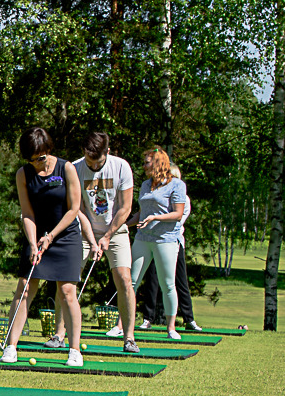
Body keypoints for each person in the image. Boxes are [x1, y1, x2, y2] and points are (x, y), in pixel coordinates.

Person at [0, 128, 85, 367]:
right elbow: (27, 213)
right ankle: (11, 346)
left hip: (65, 236)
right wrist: (33, 242)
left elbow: (74, 209)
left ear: (48, 150)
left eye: (41, 158)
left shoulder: (66, 168)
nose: (37, 164)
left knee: (67, 291)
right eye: (31, 160)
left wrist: (51, 237)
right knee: (24, 288)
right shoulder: (23, 174)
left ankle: (75, 350)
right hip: (37, 236)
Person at [49, 132, 139, 354]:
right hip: (82, 230)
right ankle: (59, 335)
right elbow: (75, 207)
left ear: (107, 152)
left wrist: (107, 236)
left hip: (116, 230)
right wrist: (91, 238)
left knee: (124, 279)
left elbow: (126, 208)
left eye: (97, 162)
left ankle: (129, 337)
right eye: (89, 161)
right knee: (67, 281)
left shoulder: (121, 167)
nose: (93, 166)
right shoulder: (76, 168)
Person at [128, 147, 187, 341]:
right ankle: (122, 326)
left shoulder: (176, 185)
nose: (144, 166)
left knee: (167, 284)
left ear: (158, 163)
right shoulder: (145, 184)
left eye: (147, 162)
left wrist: (156, 217)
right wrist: (121, 224)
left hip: (166, 240)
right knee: (130, 282)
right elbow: (141, 213)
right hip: (143, 238)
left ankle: (171, 328)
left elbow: (178, 214)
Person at [138, 162, 201, 331]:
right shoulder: (151, 190)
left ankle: (189, 319)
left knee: (178, 281)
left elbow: (178, 219)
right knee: (151, 280)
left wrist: (156, 218)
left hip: (173, 242)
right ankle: (147, 318)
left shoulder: (183, 197)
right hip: (151, 240)